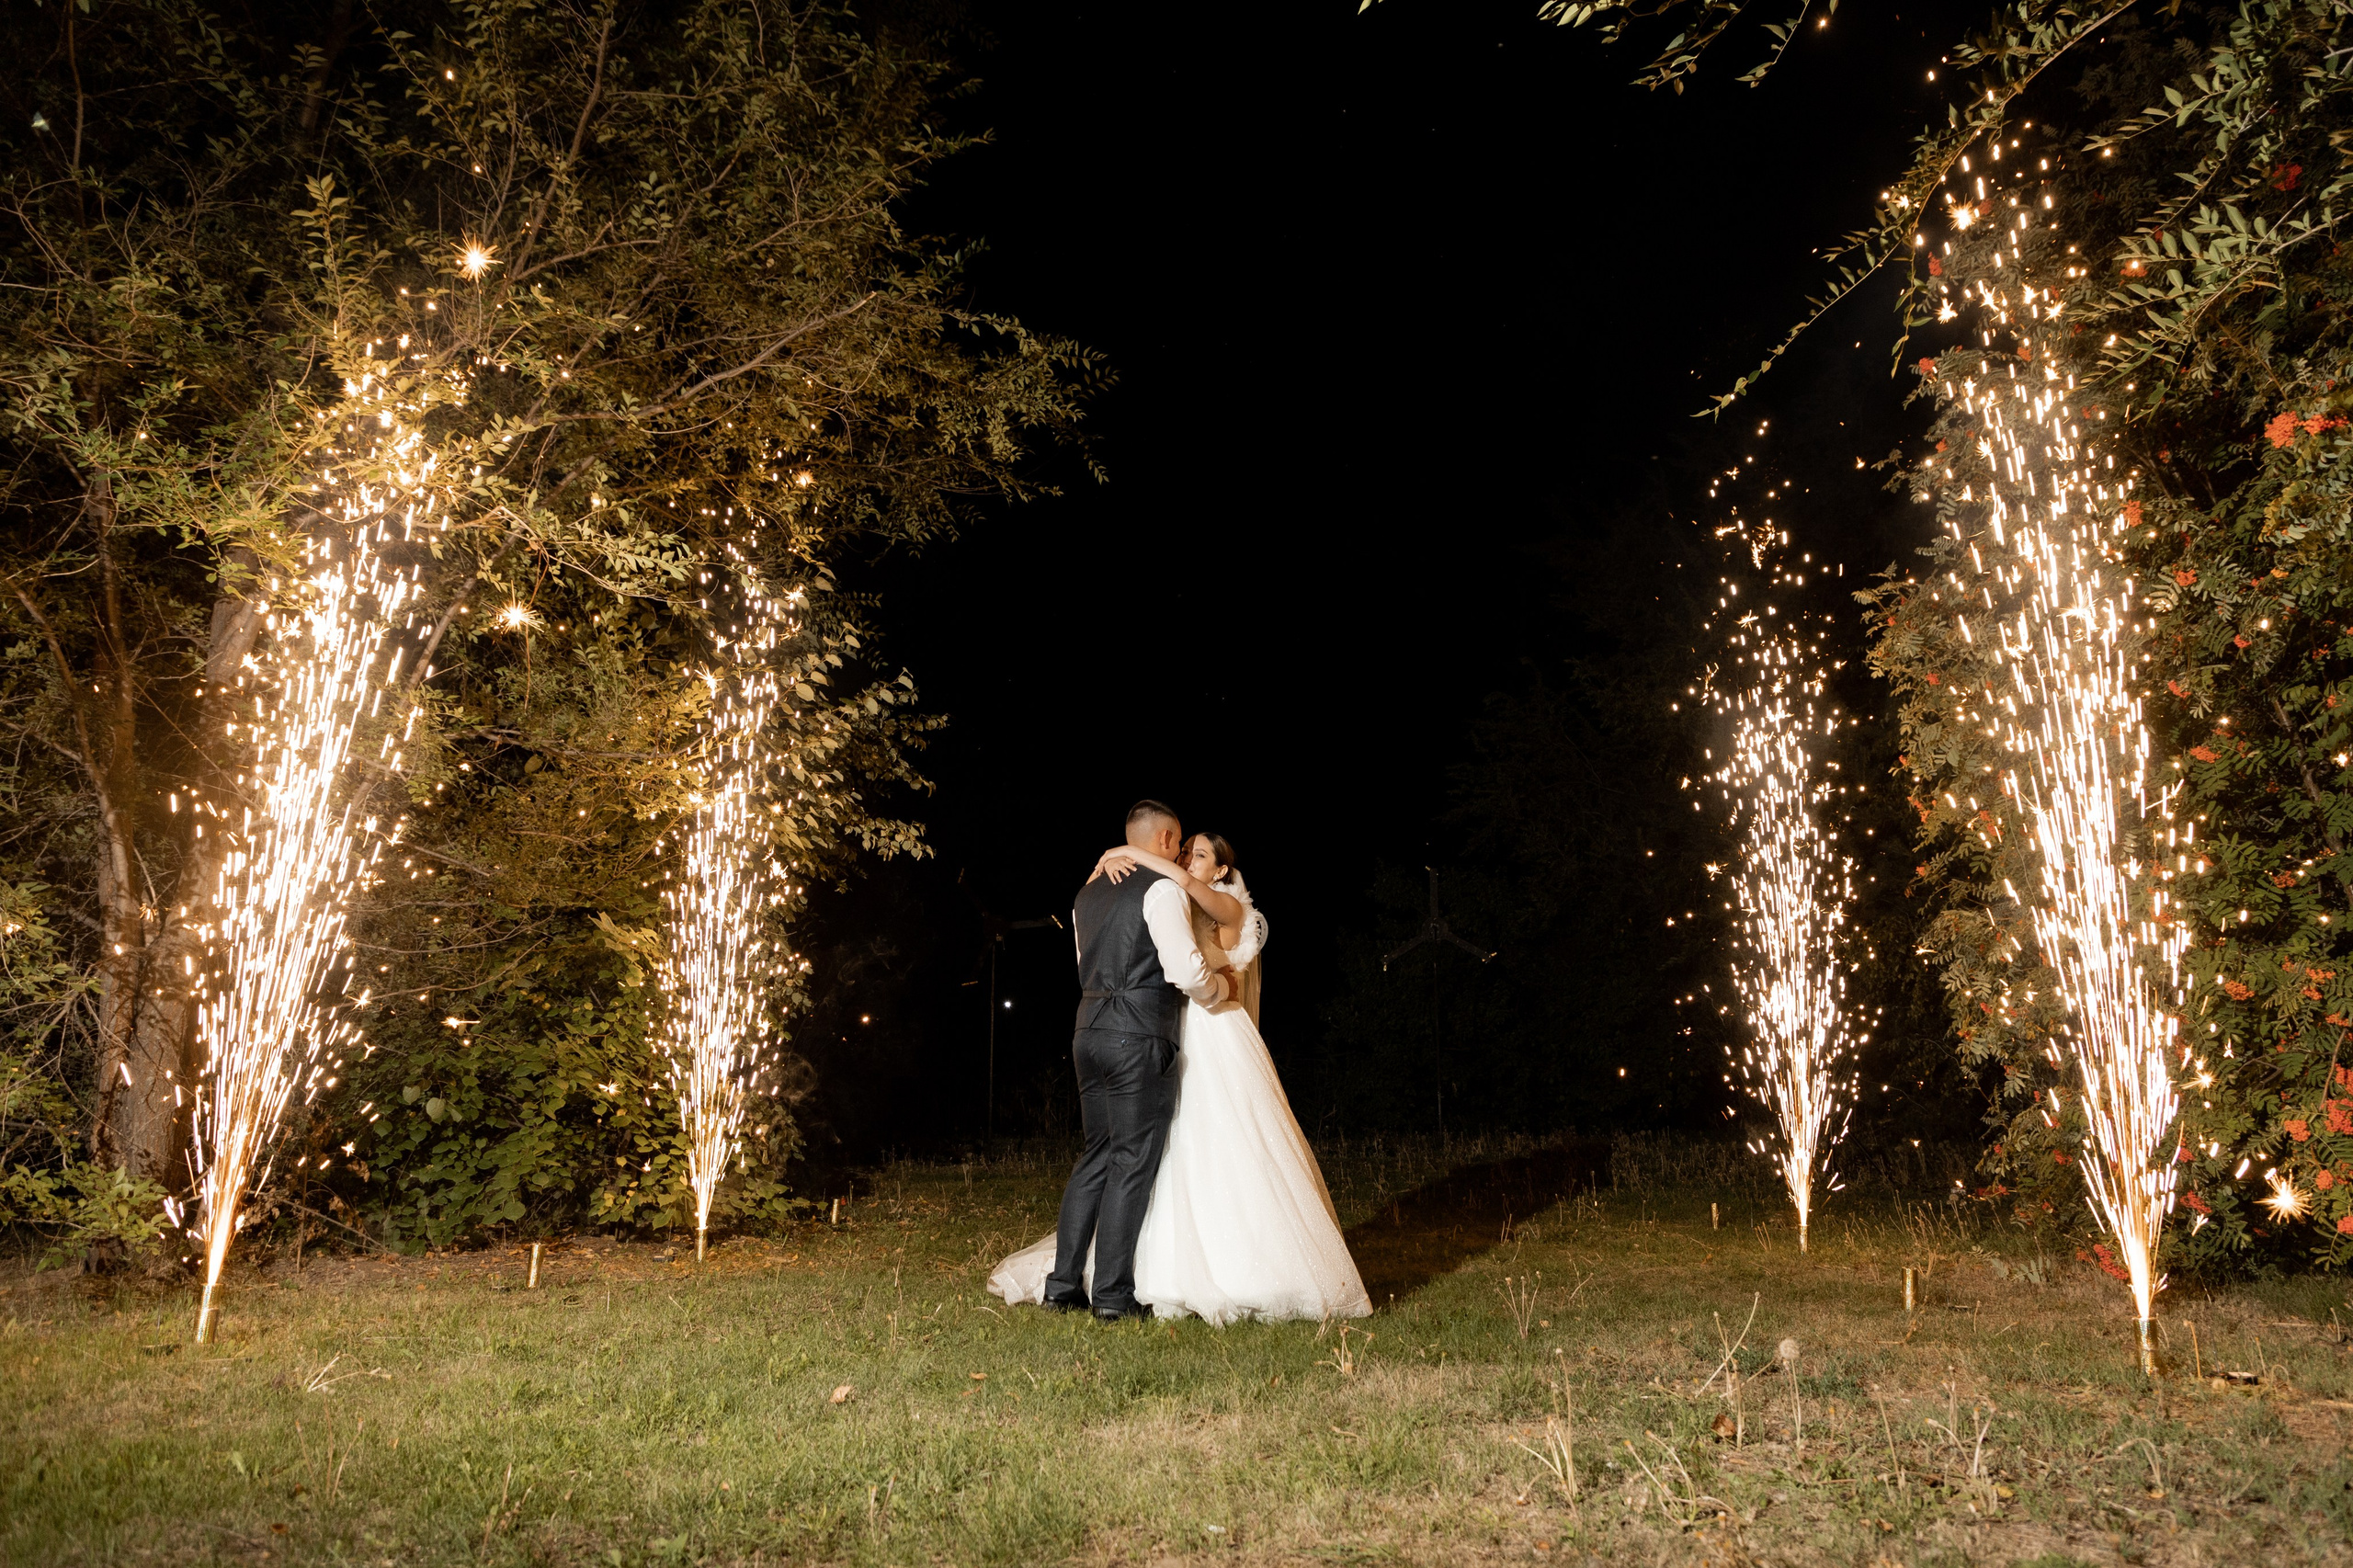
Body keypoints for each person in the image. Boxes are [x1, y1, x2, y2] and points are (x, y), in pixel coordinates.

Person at [990, 820, 1371, 1324]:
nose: (1189, 859)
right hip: (1160, 1026)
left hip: (1201, 1026)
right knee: (1140, 1153)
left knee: (1193, 1142)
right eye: (1185, 849)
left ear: (1223, 868)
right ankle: (1115, 1284)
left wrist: (1121, 850)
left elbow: (1179, 904)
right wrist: (1121, 858)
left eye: (1200, 854)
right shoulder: (1158, 892)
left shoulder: (1223, 903)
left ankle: (1132, 1278)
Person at [1023, 800, 1233, 1322]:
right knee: (1131, 1162)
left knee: (1096, 1155)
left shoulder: (1085, 894)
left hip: (1087, 1031)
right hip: (1136, 1034)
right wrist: (1216, 990)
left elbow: (1087, 964)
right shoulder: (1160, 889)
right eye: (1178, 844)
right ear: (1164, 840)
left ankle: (1062, 1285)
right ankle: (1113, 1297)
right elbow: (1184, 972)